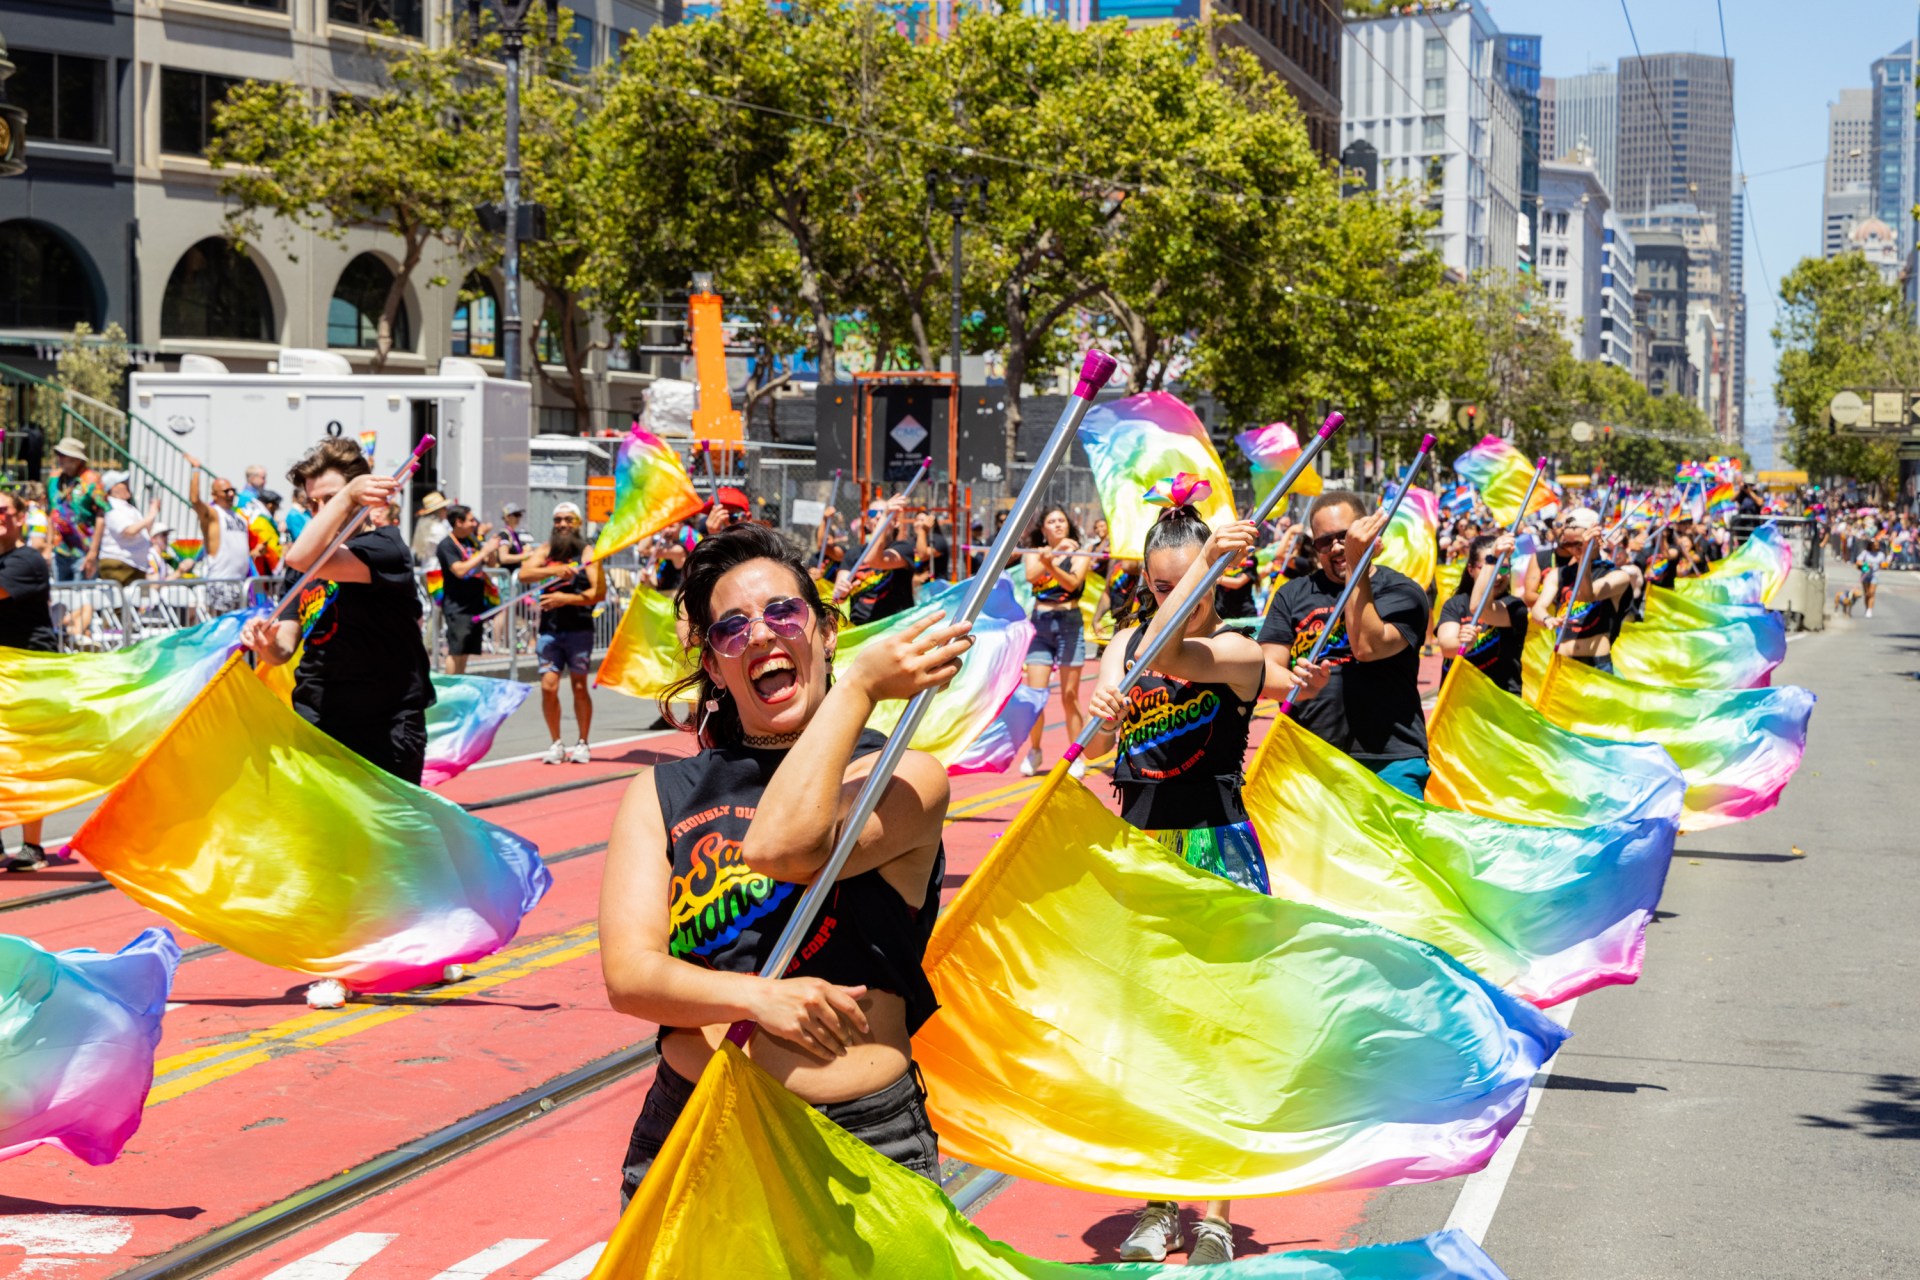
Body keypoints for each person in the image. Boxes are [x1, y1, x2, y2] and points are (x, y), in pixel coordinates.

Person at [600, 524, 967, 1205]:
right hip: (694, 1128)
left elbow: (784, 849)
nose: (762, 635)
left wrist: (856, 691)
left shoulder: (905, 777)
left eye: (783, 613)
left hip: (859, 1145)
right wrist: (754, 998)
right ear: (714, 666)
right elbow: (631, 977)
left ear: (826, 632)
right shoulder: (660, 794)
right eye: (732, 629)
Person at [1087, 504, 1314, 1265]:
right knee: (1148, 1036)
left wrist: (1201, 575)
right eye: (1157, 585)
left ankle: (1214, 1210)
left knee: (1218, 1033)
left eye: (1187, 582)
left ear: (1221, 579)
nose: (1167, 597)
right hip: (1141, 848)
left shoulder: (1238, 653)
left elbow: (1173, 655)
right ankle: (1159, 1205)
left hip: (1216, 851)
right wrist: (1102, 715)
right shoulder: (1125, 641)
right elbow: (1099, 749)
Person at [241, 438, 436, 783]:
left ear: (363, 496)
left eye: (330, 499)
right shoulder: (301, 566)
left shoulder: (384, 548)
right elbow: (282, 650)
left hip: (383, 724)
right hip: (317, 718)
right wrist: (266, 643)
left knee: (384, 836)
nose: (320, 511)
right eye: (313, 502)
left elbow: (303, 558)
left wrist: (348, 499)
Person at [1258, 489, 1431, 798]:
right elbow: (1267, 670)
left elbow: (1367, 647)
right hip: (1312, 759)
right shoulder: (1291, 595)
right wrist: (1297, 682)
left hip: (1389, 760)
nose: (1337, 547)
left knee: (1391, 848)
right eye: (1325, 541)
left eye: (1345, 536)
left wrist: (1356, 563)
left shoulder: (1404, 592)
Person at [0, 490, 59, 871]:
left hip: (29, 674)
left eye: (3, 510)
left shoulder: (28, 561)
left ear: (21, 517)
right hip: (3, 670)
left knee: (26, 761)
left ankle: (32, 847)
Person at [520, 502, 605, 764]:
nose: (562, 524)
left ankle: (583, 742)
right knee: (548, 686)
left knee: (579, 686)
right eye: (558, 519)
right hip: (550, 631)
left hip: (579, 629)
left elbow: (597, 592)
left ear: (577, 523)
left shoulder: (588, 551)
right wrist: (554, 570)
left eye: (568, 519)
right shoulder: (546, 550)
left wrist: (564, 598)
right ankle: (556, 742)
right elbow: (525, 573)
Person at [1018, 506, 1087, 778]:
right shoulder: (1036, 552)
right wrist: (1053, 556)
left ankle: (1075, 755)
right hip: (1040, 625)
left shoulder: (1080, 551)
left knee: (1070, 696)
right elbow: (1031, 576)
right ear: (1043, 528)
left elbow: (1072, 584)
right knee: (1035, 696)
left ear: (1068, 525)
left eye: (1061, 520)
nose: (1058, 525)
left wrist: (1053, 562)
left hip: (1070, 623)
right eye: (1051, 521)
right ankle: (1035, 750)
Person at [1532, 509, 1642, 673]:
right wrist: (1547, 619)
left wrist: (1585, 554)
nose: (1572, 550)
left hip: (1596, 665)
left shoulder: (1617, 576)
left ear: (1596, 541)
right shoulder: (1558, 574)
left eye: (1578, 544)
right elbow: (1537, 608)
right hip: (1562, 664)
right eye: (1567, 544)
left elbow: (1586, 595)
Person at [1435, 532, 1528, 696]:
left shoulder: (1515, 607)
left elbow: (1479, 607)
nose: (1498, 576)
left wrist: (1492, 559)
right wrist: (1463, 644)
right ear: (1470, 570)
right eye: (1487, 567)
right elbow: (1447, 648)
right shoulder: (1455, 604)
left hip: (1500, 705)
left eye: (1503, 567)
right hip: (1460, 704)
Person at [184, 455, 256, 616]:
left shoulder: (238, 517)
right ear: (215, 495)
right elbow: (195, 500)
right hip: (221, 582)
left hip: (240, 582)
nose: (231, 494)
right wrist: (196, 469)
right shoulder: (213, 514)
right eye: (226, 491)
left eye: (233, 490)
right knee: (221, 628)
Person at [434, 504, 501, 675]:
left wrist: (491, 550)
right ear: (459, 522)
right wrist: (483, 551)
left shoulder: (472, 540)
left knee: (465, 651)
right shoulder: (446, 545)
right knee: (456, 651)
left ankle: (460, 683)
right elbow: (459, 570)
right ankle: (450, 687)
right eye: (470, 520)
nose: (474, 523)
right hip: (457, 605)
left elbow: (492, 564)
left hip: (475, 603)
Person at [836, 496, 917, 625]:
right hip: (861, 628)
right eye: (873, 513)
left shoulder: (903, 549)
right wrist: (841, 592)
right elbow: (837, 597)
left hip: (895, 626)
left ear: (895, 523)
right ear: (867, 523)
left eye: (884, 512)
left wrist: (885, 517)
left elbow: (874, 560)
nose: (879, 517)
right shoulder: (853, 554)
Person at [46, 437, 108, 583]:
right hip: (59, 550)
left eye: (63, 455)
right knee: (60, 599)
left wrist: (93, 552)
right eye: (58, 455)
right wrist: (48, 546)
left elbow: (101, 516)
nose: (59, 459)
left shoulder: (92, 480)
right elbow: (51, 512)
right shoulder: (54, 478)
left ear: (76, 460)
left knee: (82, 599)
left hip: (84, 552)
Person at [96, 472, 161, 587]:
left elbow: (145, 531)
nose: (127, 485)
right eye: (123, 483)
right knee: (120, 603)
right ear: (113, 487)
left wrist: (152, 511)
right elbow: (129, 531)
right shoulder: (111, 507)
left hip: (135, 565)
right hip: (119, 565)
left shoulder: (127, 507)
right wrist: (151, 515)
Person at [410, 491, 450, 567]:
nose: (446, 510)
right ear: (439, 510)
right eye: (444, 508)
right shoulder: (437, 528)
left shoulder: (425, 525)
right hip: (438, 568)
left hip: (427, 565)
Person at [496, 502, 533, 570]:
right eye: (516, 514)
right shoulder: (504, 535)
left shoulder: (515, 535)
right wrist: (524, 556)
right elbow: (503, 558)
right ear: (507, 517)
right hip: (507, 578)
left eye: (519, 515)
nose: (518, 517)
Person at [1858, 536, 1887, 618]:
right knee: (1867, 594)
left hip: (1875, 575)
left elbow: (1883, 564)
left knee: (1872, 593)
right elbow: (1858, 561)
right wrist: (1866, 564)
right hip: (1865, 574)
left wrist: (1884, 565)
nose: (1876, 546)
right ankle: (1867, 608)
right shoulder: (1865, 553)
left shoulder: (1881, 554)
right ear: (1871, 545)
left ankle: (1870, 610)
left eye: (1877, 545)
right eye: (1875, 545)